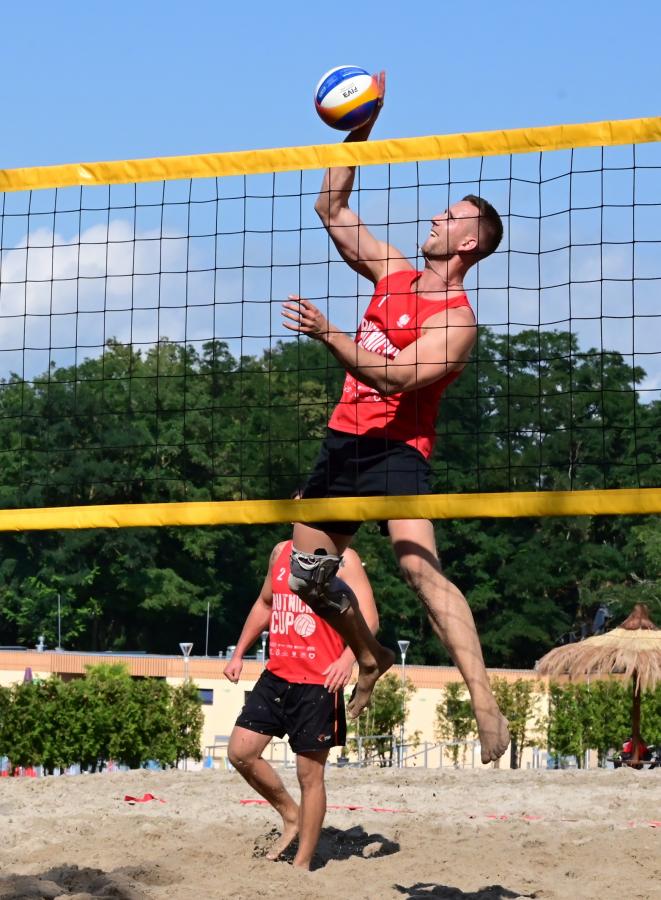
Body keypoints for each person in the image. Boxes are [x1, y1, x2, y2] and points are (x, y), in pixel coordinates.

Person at [280, 71, 510, 763]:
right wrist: (360, 130)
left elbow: (395, 376)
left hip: (397, 451)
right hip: (342, 443)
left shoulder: (457, 322)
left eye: (451, 217)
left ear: (469, 244)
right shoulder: (392, 272)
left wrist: (328, 334)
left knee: (418, 568)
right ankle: (371, 653)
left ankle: (483, 698)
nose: (436, 218)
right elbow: (330, 205)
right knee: (305, 574)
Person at [224, 538, 378, 870]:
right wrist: (238, 652)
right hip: (277, 674)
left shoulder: (345, 559)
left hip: (320, 681)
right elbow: (265, 604)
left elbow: (370, 619)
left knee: (309, 776)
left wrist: (347, 659)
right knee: (240, 752)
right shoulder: (280, 551)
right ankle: (292, 816)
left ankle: (302, 864)